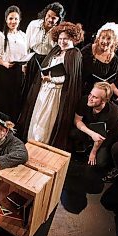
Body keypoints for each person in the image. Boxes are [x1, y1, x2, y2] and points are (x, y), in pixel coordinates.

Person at [18, 21, 83, 150]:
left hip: (57, 94)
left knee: (47, 119)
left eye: (66, 39)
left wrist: (52, 79)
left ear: (73, 39)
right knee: (37, 116)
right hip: (44, 90)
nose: (62, 41)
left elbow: (70, 79)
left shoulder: (74, 54)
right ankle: (31, 143)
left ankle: (41, 145)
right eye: (60, 38)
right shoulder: (56, 50)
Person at [21, 2, 65, 102]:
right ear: (45, 14)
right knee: (27, 89)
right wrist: (24, 63)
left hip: (47, 62)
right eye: (49, 16)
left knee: (40, 91)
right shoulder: (33, 24)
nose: (50, 19)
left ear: (58, 19)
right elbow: (26, 45)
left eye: (54, 18)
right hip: (33, 59)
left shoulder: (59, 31)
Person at [70, 82, 118, 168]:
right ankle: (86, 145)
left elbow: (101, 138)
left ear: (104, 100)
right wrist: (91, 134)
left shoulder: (112, 112)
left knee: (100, 162)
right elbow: (77, 120)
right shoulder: (85, 100)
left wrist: (93, 152)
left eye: (95, 97)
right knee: (73, 133)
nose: (90, 98)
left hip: (104, 137)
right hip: (91, 130)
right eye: (90, 94)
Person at [0, 5, 27, 122]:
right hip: (5, 71)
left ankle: (13, 125)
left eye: (16, 19)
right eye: (11, 18)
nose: (13, 21)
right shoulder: (1, 36)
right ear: (6, 20)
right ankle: (0, 123)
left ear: (19, 20)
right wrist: (4, 63)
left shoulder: (23, 35)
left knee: (16, 99)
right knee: (3, 101)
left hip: (19, 72)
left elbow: (26, 54)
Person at [81, 22, 118, 97]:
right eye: (103, 37)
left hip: (95, 95)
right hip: (78, 87)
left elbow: (110, 82)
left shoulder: (114, 60)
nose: (105, 41)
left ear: (114, 41)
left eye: (109, 39)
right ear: (98, 38)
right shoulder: (88, 49)